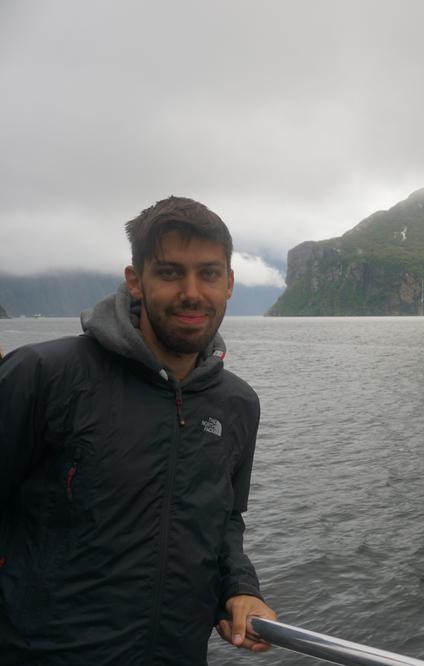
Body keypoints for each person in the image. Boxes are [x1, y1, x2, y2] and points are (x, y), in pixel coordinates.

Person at [0, 196, 277, 663]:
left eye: (209, 273)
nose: (192, 292)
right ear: (136, 282)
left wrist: (239, 587)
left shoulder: (238, 405)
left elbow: (225, 520)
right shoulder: (43, 376)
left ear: (229, 283)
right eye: (170, 272)